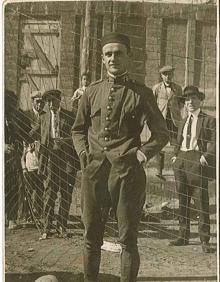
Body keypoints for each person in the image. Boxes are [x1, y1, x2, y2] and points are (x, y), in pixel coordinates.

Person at [72, 32, 169, 282]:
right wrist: (83, 152)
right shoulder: (91, 92)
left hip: (127, 176)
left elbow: (161, 134)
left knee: (127, 240)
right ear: (102, 60)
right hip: (93, 174)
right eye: (108, 54)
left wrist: (141, 155)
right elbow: (77, 130)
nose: (113, 58)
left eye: (118, 53)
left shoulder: (142, 93)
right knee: (91, 238)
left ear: (129, 56)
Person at [169, 86, 216, 253]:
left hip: (197, 161)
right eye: (187, 99)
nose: (189, 102)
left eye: (193, 98)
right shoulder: (183, 120)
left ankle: (205, 240)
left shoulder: (209, 120)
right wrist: (175, 156)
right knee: (183, 200)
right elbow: (178, 140)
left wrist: (205, 157)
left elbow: (215, 142)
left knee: (201, 202)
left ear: (200, 100)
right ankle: (183, 236)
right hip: (181, 161)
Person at [29, 89, 79, 239]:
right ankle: (46, 228)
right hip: (50, 159)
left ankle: (62, 227)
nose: (50, 104)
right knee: (49, 192)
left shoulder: (70, 116)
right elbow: (32, 133)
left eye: (53, 101)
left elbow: (77, 136)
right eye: (48, 101)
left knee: (66, 193)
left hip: (67, 160)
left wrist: (66, 141)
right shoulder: (43, 117)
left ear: (59, 100)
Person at [152, 65, 184, 180]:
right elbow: (152, 103)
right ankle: (159, 171)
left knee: (177, 144)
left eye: (170, 74)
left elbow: (181, 103)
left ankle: (177, 170)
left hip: (174, 121)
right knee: (159, 144)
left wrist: (175, 112)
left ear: (173, 75)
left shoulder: (178, 88)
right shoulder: (156, 88)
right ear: (161, 76)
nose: (168, 76)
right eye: (165, 74)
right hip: (161, 120)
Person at [5, 89, 30, 229]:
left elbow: (22, 134)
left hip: (12, 157)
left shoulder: (15, 117)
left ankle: (12, 218)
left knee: (12, 186)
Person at [21, 91, 45, 222]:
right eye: (37, 101)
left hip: (41, 152)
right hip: (29, 151)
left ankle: (39, 211)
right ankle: (29, 213)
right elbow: (22, 132)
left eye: (41, 102)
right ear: (32, 102)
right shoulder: (26, 115)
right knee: (29, 185)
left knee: (41, 184)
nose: (39, 104)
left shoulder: (46, 116)